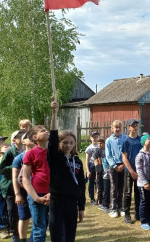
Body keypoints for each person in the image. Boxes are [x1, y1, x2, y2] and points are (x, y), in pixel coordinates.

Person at [47, 99, 85, 242]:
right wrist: (54, 114)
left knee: (70, 237)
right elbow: (52, 139)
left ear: (75, 143)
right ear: (59, 143)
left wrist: (81, 207)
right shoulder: (55, 158)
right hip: (57, 203)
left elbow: (81, 185)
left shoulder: (77, 161)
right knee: (57, 237)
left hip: (72, 204)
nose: (68, 145)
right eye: (65, 142)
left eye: (71, 142)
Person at [0, 129, 27, 242]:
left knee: (24, 213)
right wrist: (16, 168)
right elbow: (0, 169)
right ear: (14, 140)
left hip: (25, 186)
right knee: (13, 212)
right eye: (20, 135)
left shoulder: (29, 151)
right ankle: (15, 235)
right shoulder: (10, 152)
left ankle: (22, 235)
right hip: (10, 187)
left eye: (24, 135)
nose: (23, 136)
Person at [23, 125, 51, 242]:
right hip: (37, 194)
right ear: (35, 137)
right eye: (43, 131)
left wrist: (51, 193)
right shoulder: (30, 154)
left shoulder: (54, 152)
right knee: (39, 230)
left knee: (46, 227)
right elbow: (24, 179)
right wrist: (36, 198)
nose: (47, 131)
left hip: (52, 194)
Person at [12, 132, 35, 242]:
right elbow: (15, 177)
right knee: (24, 217)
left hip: (37, 191)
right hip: (23, 192)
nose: (31, 139)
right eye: (27, 137)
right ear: (23, 141)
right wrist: (17, 194)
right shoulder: (19, 158)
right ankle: (22, 240)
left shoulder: (40, 154)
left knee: (38, 217)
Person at [105, 120, 127, 218]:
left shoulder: (125, 138)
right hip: (113, 166)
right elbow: (108, 155)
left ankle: (120, 207)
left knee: (121, 187)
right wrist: (115, 166)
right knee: (114, 187)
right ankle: (113, 208)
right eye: (115, 127)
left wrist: (123, 164)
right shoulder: (109, 140)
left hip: (123, 164)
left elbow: (127, 152)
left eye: (119, 127)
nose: (117, 129)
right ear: (112, 128)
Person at [122, 118, 142, 224]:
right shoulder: (126, 141)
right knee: (128, 193)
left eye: (136, 125)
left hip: (140, 172)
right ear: (128, 127)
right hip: (129, 171)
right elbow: (124, 158)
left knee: (138, 192)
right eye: (132, 125)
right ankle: (127, 214)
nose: (135, 127)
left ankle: (138, 213)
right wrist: (131, 171)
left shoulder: (141, 140)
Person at [135, 134, 150, 231]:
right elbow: (139, 170)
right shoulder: (140, 155)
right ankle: (143, 221)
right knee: (144, 201)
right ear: (143, 142)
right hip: (143, 183)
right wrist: (145, 183)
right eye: (148, 138)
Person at [85, 131, 100, 206]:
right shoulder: (89, 148)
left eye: (96, 137)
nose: (95, 138)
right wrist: (88, 170)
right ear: (90, 138)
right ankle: (92, 198)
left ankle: (99, 198)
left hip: (99, 165)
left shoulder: (100, 146)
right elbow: (87, 160)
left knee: (98, 182)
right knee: (91, 182)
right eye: (93, 137)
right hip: (92, 166)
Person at [92, 138, 106, 211]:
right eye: (99, 143)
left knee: (106, 187)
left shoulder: (107, 150)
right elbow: (97, 162)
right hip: (99, 171)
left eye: (101, 143)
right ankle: (100, 202)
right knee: (100, 187)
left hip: (106, 170)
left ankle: (106, 201)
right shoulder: (97, 151)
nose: (100, 145)